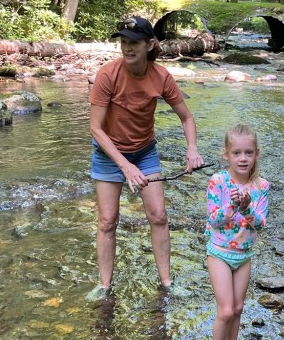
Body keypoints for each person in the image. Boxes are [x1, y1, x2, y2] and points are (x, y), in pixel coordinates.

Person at [88, 15, 205, 299]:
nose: (127, 48)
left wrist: (192, 148)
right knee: (107, 220)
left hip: (144, 152)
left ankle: (167, 283)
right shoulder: (108, 75)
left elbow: (187, 118)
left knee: (159, 216)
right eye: (123, 42)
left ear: (149, 44)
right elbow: (95, 128)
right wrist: (125, 166)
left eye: (134, 43)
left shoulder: (161, 76)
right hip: (109, 154)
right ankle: (104, 286)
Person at [205, 123, 269, 340]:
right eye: (237, 153)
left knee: (239, 307)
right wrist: (232, 206)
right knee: (226, 310)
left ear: (256, 154)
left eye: (248, 153)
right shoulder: (218, 181)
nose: (243, 158)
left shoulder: (261, 186)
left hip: (244, 255)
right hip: (219, 252)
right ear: (226, 155)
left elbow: (261, 224)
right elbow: (213, 220)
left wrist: (246, 207)